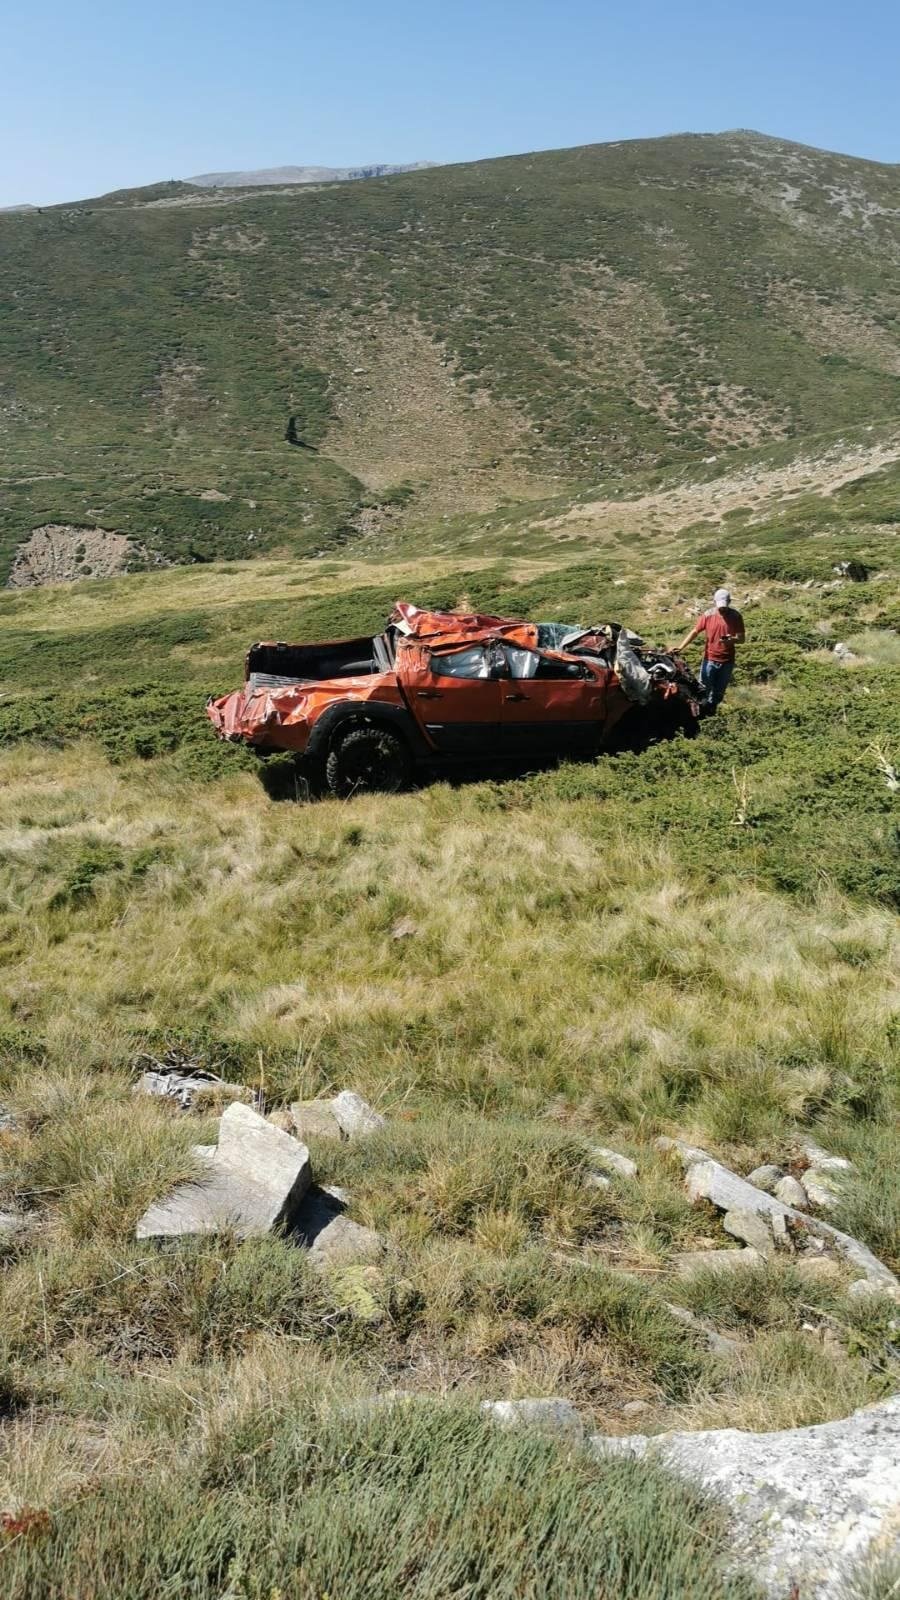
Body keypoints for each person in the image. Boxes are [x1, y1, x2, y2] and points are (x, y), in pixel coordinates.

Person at [674, 588, 745, 709]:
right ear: (714, 602)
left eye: (725, 606)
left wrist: (731, 640)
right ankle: (701, 710)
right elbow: (695, 631)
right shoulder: (708, 615)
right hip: (710, 659)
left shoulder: (736, 616)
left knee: (719, 692)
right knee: (703, 690)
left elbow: (741, 639)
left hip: (727, 662)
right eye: (720, 606)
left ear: (729, 602)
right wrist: (681, 647)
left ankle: (712, 711)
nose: (722, 609)